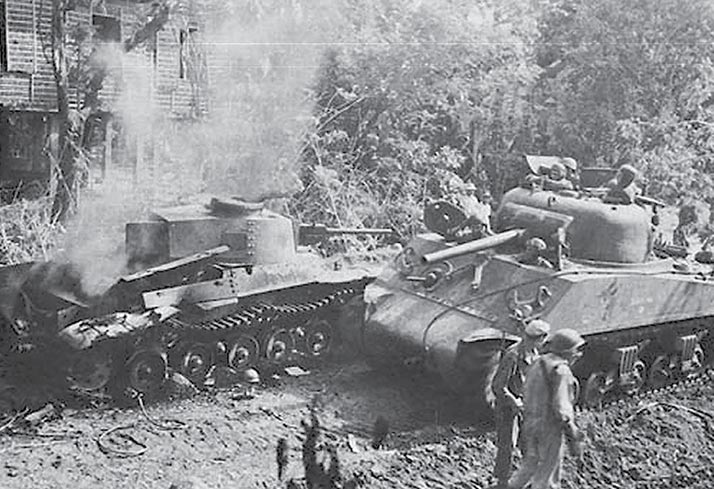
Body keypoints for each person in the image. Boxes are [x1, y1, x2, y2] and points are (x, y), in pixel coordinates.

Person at [507, 328, 586, 489]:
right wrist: (573, 432)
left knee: (529, 466)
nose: (578, 354)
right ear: (567, 352)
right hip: (548, 429)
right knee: (547, 477)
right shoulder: (561, 371)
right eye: (576, 350)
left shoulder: (539, 362)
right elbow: (562, 409)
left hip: (530, 424)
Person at [490, 319, 551, 489]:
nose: (534, 342)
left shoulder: (535, 354)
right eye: (531, 338)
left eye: (537, 339)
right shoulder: (513, 355)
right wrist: (513, 401)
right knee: (508, 445)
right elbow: (497, 386)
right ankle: (502, 482)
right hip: (508, 407)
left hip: (526, 405)